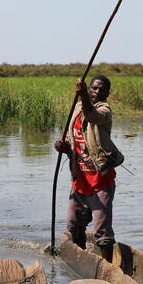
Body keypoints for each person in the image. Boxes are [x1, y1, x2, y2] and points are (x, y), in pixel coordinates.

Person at [53, 75, 123, 261]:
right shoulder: (77, 109)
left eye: (101, 90)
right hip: (79, 180)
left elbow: (93, 116)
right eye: (93, 88)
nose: (97, 92)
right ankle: (82, 260)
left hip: (101, 181)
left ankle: (107, 270)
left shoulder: (104, 110)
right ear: (89, 88)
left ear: (107, 94)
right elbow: (73, 142)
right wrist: (64, 147)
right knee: (74, 225)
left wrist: (83, 95)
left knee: (103, 233)